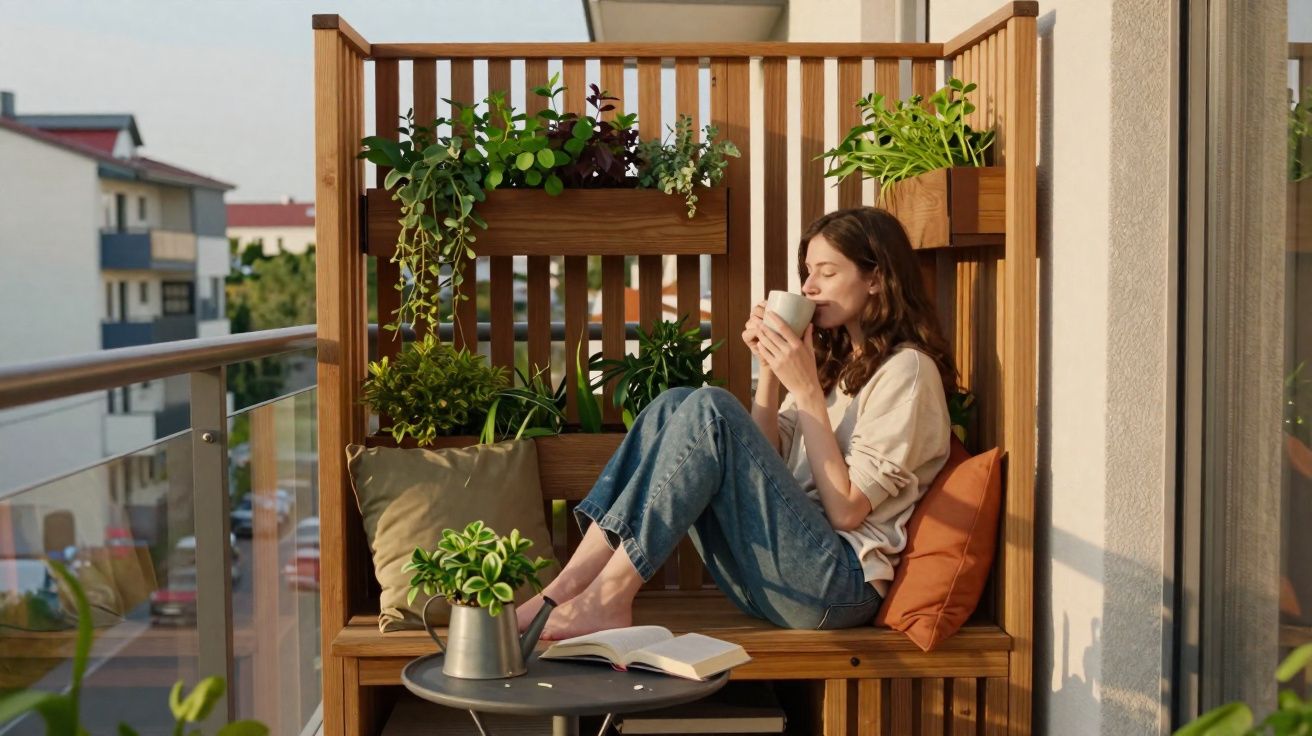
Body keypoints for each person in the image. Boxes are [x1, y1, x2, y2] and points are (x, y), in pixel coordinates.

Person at [518, 207, 957, 641]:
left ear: (876, 278)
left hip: (836, 588)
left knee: (712, 409)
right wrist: (770, 369)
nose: (808, 286)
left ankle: (609, 598)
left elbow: (846, 512)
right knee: (675, 404)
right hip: (773, 576)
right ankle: (563, 591)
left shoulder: (908, 372)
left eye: (827, 272)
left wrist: (804, 392)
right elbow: (770, 461)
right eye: (807, 271)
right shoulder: (835, 366)